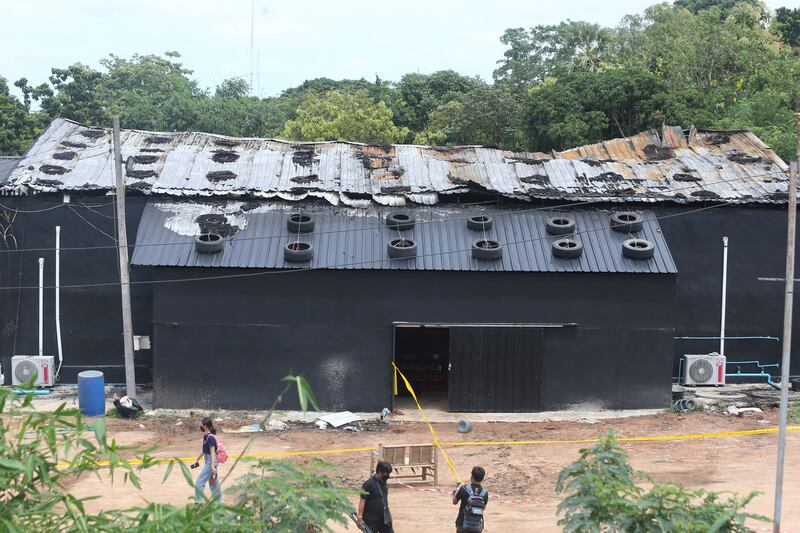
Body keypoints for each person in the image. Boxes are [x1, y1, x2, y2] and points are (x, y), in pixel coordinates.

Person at [357, 461, 393, 533]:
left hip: (384, 517)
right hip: (371, 519)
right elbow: (362, 501)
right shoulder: (368, 484)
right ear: (379, 472)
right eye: (386, 473)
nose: (388, 475)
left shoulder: (384, 482)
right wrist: (360, 517)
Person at [192, 417, 223, 502]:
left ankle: (198, 502)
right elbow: (204, 451)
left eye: (201, 425)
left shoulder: (210, 438)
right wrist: (197, 459)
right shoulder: (206, 436)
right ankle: (219, 503)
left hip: (211, 462)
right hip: (209, 461)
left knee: (199, 482)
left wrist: (212, 466)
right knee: (214, 483)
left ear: (205, 426)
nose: (200, 426)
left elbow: (212, 452)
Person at [453, 466, 489, 533]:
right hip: (477, 527)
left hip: (462, 525)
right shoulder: (485, 493)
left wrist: (458, 489)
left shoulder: (464, 489)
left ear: (471, 477)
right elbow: (483, 508)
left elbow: (454, 502)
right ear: (482, 479)